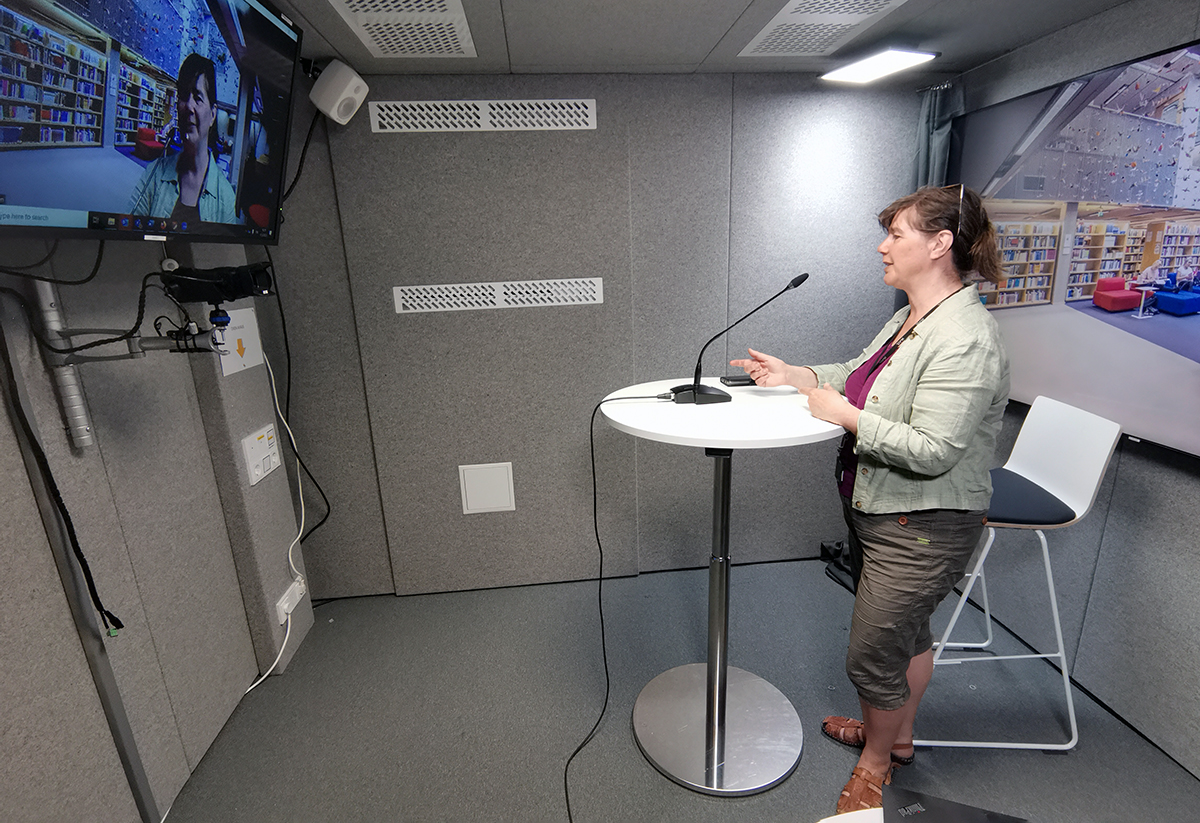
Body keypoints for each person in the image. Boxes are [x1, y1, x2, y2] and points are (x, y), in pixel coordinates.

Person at [730, 184, 1010, 815]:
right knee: (907, 635)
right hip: (879, 508)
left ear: (940, 245)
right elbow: (860, 376)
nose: (883, 246)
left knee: (871, 652)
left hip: (924, 522)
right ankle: (899, 738)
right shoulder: (913, 314)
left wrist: (844, 417)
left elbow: (935, 448)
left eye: (898, 235)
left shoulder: (964, 336)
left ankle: (877, 761)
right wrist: (798, 376)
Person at [127, 53, 239, 225]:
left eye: (198, 98)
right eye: (183, 96)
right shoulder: (155, 174)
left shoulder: (225, 197)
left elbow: (223, 251)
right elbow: (127, 230)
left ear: (213, 114)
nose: (188, 106)